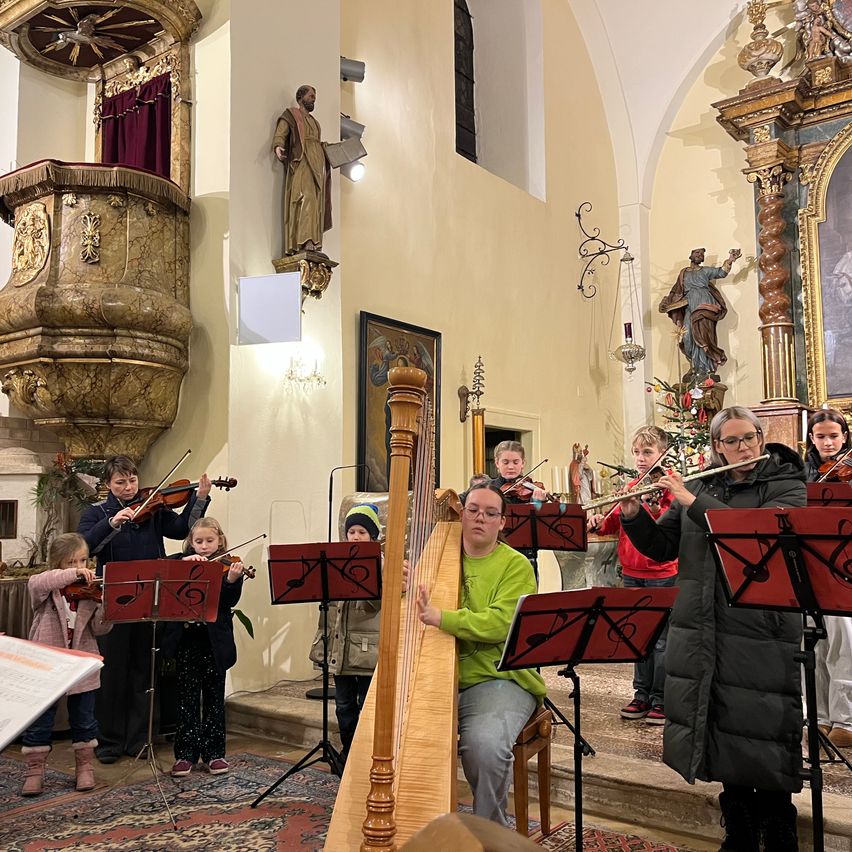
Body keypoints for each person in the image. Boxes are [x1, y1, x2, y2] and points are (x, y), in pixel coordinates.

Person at [619, 406, 805, 851]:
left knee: (763, 725)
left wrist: (692, 501)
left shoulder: (786, 484)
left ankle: (779, 829)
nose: (742, 448)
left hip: (760, 626)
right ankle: (739, 829)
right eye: (732, 441)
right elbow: (663, 545)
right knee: (718, 725)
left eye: (749, 439)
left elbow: (754, 538)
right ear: (717, 447)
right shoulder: (702, 484)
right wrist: (632, 514)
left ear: (761, 439)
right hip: (704, 624)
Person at [417, 484, 546, 827]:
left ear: (502, 522)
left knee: (485, 747)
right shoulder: (437, 556)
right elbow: (415, 606)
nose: (480, 518)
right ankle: (420, 822)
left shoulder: (515, 566)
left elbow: (501, 623)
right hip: (439, 674)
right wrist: (405, 584)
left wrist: (442, 617)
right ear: (461, 512)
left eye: (490, 513)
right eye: (473, 509)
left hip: (499, 677)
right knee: (403, 735)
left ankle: (490, 833)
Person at [77, 456, 212, 764]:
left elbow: (180, 531)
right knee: (112, 672)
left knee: (144, 669)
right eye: (120, 482)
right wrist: (112, 523)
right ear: (108, 485)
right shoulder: (97, 513)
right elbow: (84, 545)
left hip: (151, 597)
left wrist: (200, 498)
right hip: (114, 598)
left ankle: (140, 739)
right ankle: (108, 741)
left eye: (132, 480)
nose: (128, 487)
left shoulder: (153, 509)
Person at [587, 426, 678, 726]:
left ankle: (661, 699)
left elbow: (667, 527)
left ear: (662, 453)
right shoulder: (633, 485)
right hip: (632, 572)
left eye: (647, 452)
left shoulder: (672, 486)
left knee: (662, 640)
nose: (640, 458)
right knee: (638, 637)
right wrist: (600, 521)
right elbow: (615, 523)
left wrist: (649, 505)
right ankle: (641, 694)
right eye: (637, 452)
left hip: (662, 572)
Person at [20, 533, 112, 796]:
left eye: (84, 560)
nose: (81, 567)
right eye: (73, 562)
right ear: (58, 563)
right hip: (48, 663)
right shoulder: (45, 586)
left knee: (84, 719)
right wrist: (73, 574)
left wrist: (105, 607)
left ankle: (84, 768)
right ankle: (34, 772)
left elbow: (100, 629)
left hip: (81, 663)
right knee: (40, 721)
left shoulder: (89, 592)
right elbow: (38, 582)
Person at [159, 517, 244, 777]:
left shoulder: (228, 565)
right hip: (186, 641)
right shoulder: (181, 562)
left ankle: (214, 753)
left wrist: (230, 580)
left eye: (210, 541)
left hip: (213, 643)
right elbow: (163, 570)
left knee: (214, 699)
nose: (204, 546)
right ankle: (185, 754)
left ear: (220, 541)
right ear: (190, 542)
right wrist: (183, 563)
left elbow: (228, 602)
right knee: (186, 700)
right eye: (199, 541)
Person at [309, 504, 383, 764]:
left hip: (365, 649)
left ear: (373, 537)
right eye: (351, 531)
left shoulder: (381, 564)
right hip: (339, 649)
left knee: (366, 705)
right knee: (343, 706)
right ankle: (349, 752)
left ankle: (366, 753)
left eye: (362, 532)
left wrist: (361, 579)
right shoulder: (334, 562)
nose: (356, 537)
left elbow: (377, 604)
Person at [805, 408, 852, 749]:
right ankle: (818, 715)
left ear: (845, 437)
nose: (827, 443)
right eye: (820, 436)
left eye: (833, 436)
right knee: (813, 643)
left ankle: (846, 719)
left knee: (844, 643)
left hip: (845, 565)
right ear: (811, 438)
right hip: (810, 563)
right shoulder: (803, 474)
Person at [659, 247, 742, 380]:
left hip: (704, 305)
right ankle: (694, 367)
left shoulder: (705, 271)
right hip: (689, 305)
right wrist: (667, 302)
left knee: (703, 335)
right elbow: (676, 291)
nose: (699, 255)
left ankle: (705, 368)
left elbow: (721, 272)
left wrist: (731, 260)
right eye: (696, 253)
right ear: (691, 255)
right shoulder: (683, 273)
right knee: (687, 338)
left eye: (701, 254)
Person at [273, 84, 332, 255]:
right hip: (302, 162)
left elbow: (317, 143)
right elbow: (281, 133)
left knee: (316, 204)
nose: (314, 99)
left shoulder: (315, 122)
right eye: (311, 95)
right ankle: (303, 241)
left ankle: (313, 241)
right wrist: (278, 145)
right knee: (306, 199)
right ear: (301, 97)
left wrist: (331, 150)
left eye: (314, 97)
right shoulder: (292, 115)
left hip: (316, 163)